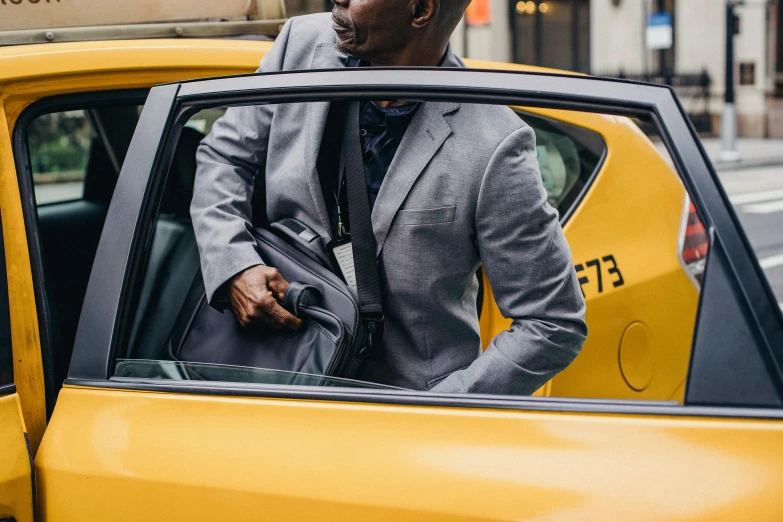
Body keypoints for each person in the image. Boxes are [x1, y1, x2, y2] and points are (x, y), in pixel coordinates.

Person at [191, 0, 587, 394]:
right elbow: (224, 157)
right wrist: (235, 266)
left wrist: (439, 411)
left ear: (420, 11)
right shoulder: (300, 45)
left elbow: (552, 322)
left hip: (401, 420)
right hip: (278, 378)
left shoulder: (494, 144)